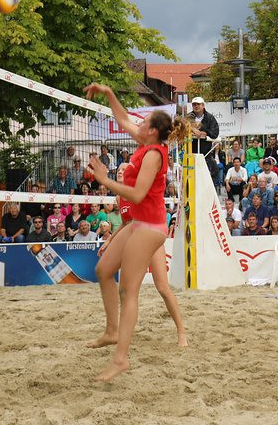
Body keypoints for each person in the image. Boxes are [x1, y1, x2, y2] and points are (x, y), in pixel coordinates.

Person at [83, 81, 191, 381]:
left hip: (150, 227)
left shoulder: (154, 154)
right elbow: (121, 119)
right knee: (103, 270)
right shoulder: (145, 144)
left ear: (153, 131)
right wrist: (108, 92)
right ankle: (111, 331)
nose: (138, 123)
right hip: (138, 225)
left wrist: (104, 180)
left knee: (129, 290)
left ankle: (120, 359)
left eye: (144, 122)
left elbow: (138, 195)